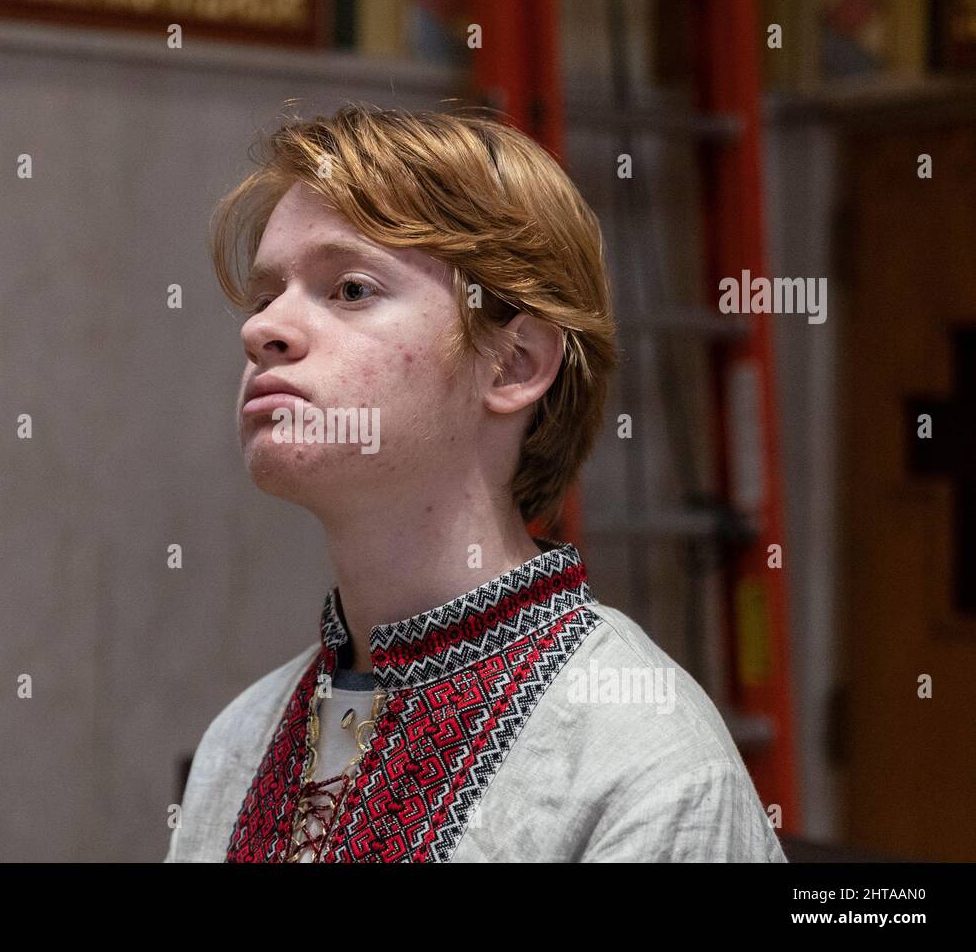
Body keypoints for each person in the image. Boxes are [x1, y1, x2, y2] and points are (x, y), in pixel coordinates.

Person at [165, 104, 786, 863]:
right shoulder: (243, 740)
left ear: (514, 362)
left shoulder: (645, 762)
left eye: (351, 289)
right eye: (266, 296)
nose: (260, 330)